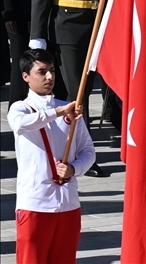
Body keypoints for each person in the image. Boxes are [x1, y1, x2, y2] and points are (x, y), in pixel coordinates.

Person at [27, 0, 109, 177]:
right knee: (77, 94)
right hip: (70, 29)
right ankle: (81, 155)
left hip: (99, 27)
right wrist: (38, 35)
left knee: (97, 90)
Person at [8, 49, 95, 264]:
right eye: (42, 72)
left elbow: (88, 151)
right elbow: (22, 125)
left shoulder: (68, 108)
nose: (49, 77)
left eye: (52, 71)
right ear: (26, 77)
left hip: (68, 204)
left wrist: (74, 169)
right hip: (35, 205)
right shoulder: (20, 109)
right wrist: (58, 113)